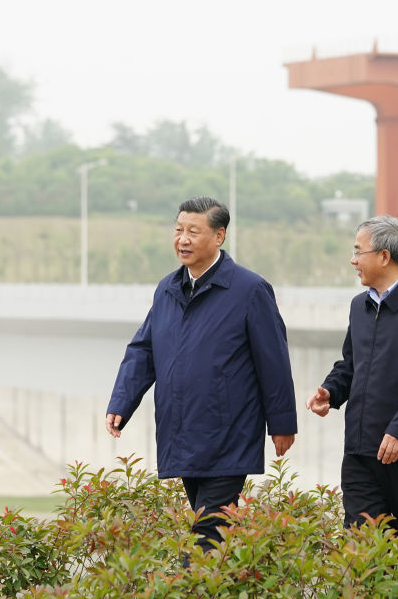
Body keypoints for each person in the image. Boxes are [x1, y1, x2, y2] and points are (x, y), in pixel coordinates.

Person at [105, 196, 297, 553]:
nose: (183, 239)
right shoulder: (167, 289)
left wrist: (282, 422)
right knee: (211, 530)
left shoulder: (249, 290)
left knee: (206, 535)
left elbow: (273, 361)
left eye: (193, 231)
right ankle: (225, 584)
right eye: (178, 230)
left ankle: (189, 589)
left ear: (219, 235)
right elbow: (144, 350)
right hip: (183, 430)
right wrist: (122, 401)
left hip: (229, 433)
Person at [306, 216, 398, 545]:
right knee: (361, 546)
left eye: (359, 251)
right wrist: (331, 390)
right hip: (360, 449)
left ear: (384, 256)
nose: (353, 260)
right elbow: (351, 362)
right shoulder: (360, 305)